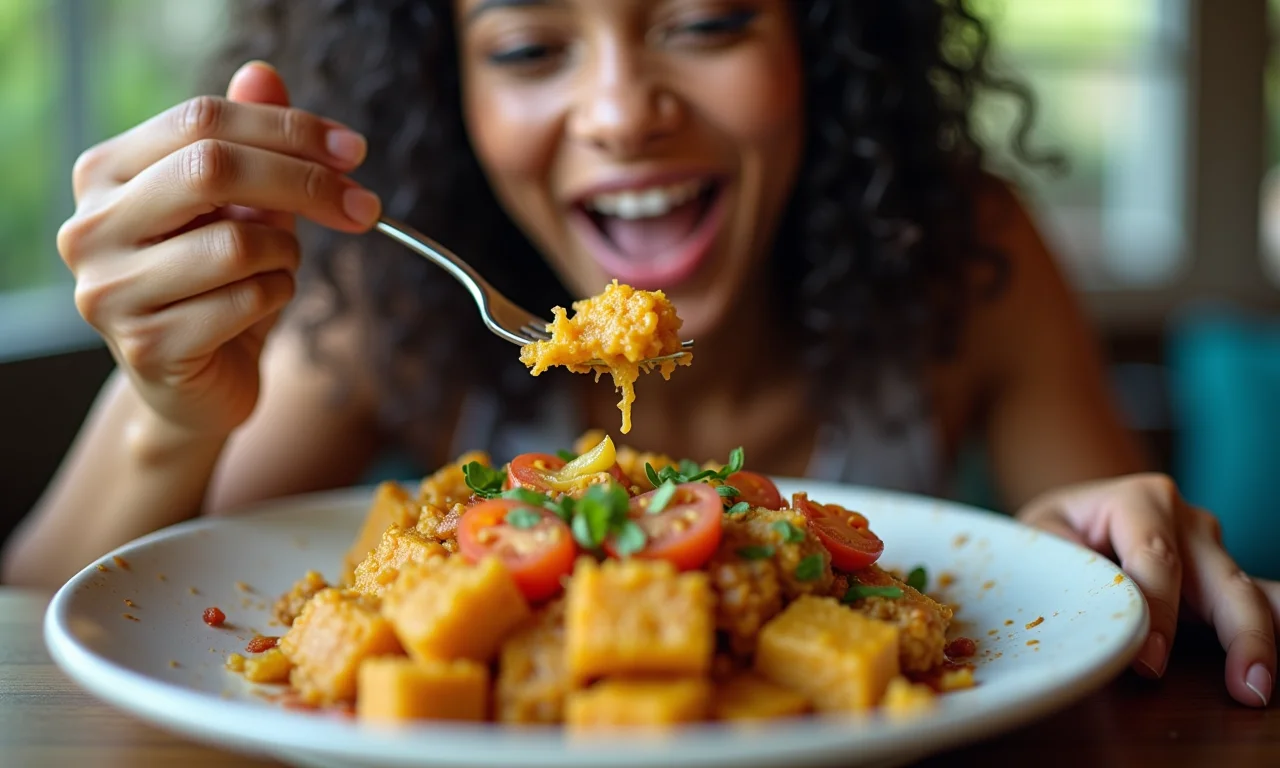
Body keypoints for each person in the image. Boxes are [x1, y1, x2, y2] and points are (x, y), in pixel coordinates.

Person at [3, 0, 1275, 708]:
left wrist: (1115, 545)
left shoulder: (961, 255)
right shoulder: (376, 321)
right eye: (525, 48)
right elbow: (69, 622)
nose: (619, 110)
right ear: (448, 91)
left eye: (705, 20)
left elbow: (1097, 617)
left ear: (820, 48)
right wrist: (167, 416)